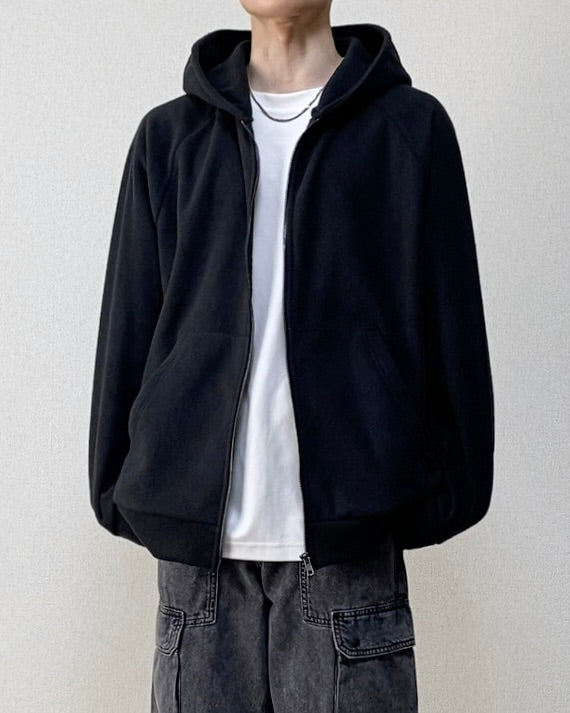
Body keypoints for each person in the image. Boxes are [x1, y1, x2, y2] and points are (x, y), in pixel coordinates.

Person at [88, 1, 495, 711]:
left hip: (348, 565)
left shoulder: (410, 130)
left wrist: (395, 506)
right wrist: (134, 493)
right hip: (199, 578)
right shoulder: (168, 139)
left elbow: (452, 334)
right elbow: (129, 332)